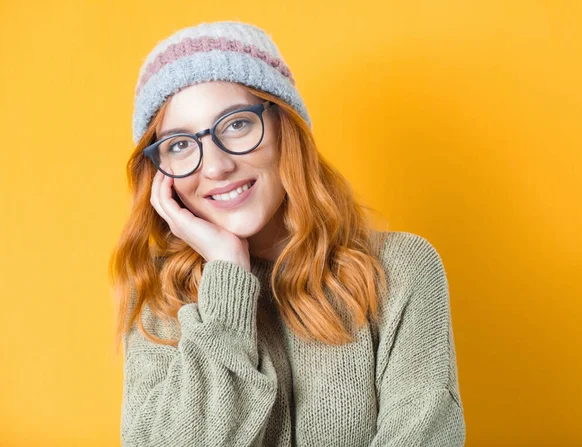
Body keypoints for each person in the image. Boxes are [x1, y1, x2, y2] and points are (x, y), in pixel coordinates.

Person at [109, 20, 466, 446]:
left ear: (285, 127)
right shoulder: (159, 294)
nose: (215, 166)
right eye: (180, 144)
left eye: (236, 124)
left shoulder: (402, 270)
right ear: (160, 173)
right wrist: (226, 279)